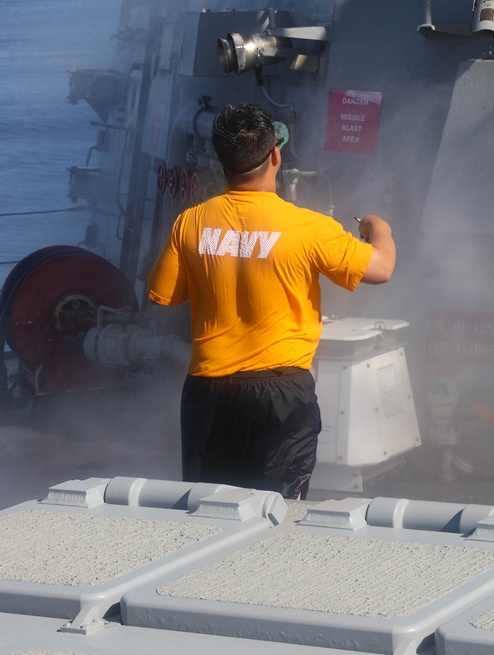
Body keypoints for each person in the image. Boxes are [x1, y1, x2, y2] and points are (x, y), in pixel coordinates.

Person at [147, 103, 395, 499]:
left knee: (207, 509)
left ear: (222, 159)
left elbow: (165, 295)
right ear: (275, 156)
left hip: (208, 393)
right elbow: (381, 268)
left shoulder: (190, 223)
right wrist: (378, 226)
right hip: (280, 396)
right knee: (276, 511)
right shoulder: (308, 227)